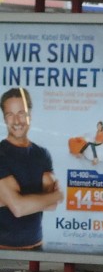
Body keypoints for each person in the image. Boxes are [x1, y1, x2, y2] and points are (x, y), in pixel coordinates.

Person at [0, 87, 64, 250]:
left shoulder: (42, 154)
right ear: (4, 118)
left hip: (37, 245)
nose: (16, 121)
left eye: (21, 113)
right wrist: (56, 194)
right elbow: (19, 208)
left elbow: (52, 205)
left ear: (30, 114)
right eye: (10, 114)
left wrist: (27, 200)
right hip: (5, 251)